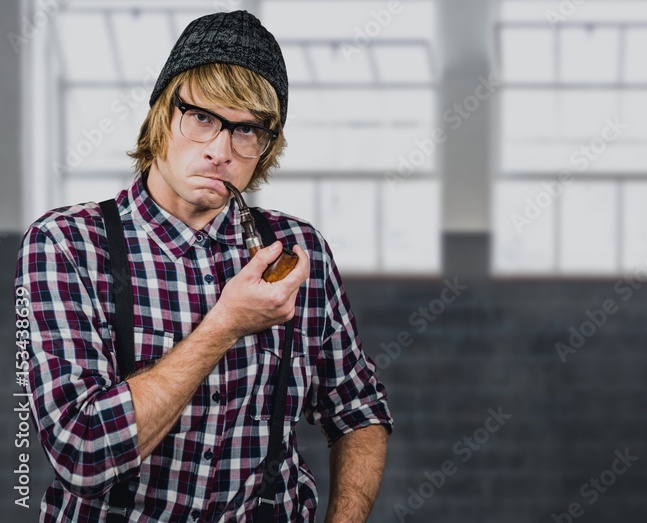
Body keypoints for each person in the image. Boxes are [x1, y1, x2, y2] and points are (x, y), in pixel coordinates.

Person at [14, 10, 392, 522]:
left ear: (266, 147)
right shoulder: (67, 244)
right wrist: (226, 323)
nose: (220, 150)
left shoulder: (298, 251)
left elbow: (360, 412)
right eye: (201, 117)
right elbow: (83, 454)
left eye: (247, 130)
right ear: (161, 115)